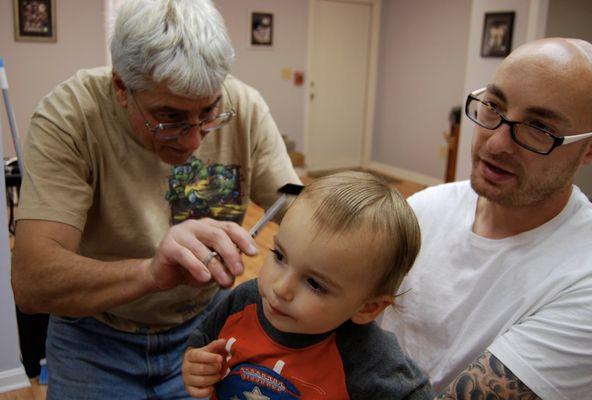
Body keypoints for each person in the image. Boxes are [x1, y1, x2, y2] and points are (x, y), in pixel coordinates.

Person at [11, 0, 300, 398]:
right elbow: (31, 282)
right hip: (94, 339)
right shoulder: (70, 115)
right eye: (171, 117)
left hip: (207, 331)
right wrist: (150, 273)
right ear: (121, 88)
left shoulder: (244, 105)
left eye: (209, 111)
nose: (195, 139)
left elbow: (298, 206)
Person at [381, 37, 592, 399]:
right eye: (493, 106)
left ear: (588, 150)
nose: (495, 144)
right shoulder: (425, 209)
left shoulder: (581, 278)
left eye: (539, 129)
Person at [181, 171, 434, 399]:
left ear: (368, 307)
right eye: (279, 256)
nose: (280, 288)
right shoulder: (243, 301)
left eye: (314, 284)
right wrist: (195, 366)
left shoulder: (366, 357)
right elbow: (202, 341)